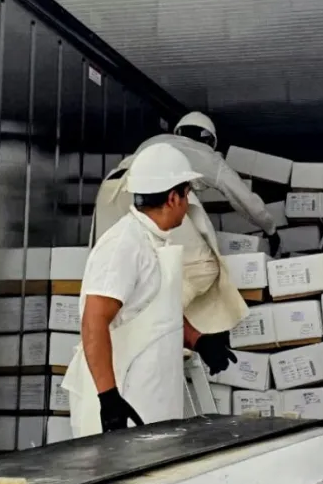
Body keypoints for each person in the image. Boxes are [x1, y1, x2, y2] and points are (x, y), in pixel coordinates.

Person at [62, 143, 237, 435]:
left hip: (150, 401)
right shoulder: (124, 245)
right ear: (172, 198)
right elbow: (94, 320)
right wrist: (108, 398)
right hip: (122, 403)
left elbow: (155, 311)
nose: (188, 200)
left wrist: (198, 340)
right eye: (187, 193)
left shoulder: (154, 241)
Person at [91, 112, 281, 255]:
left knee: (109, 257)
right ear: (209, 140)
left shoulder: (153, 141)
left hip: (111, 190)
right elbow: (243, 198)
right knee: (194, 263)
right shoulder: (208, 157)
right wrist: (270, 229)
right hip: (156, 194)